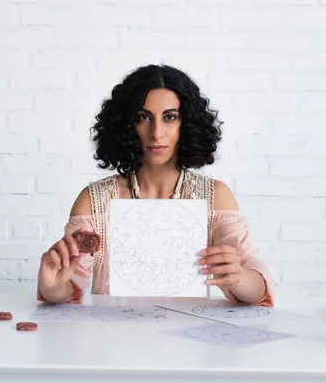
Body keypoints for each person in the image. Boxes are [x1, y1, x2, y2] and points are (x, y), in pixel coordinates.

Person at [37, 64, 274, 307]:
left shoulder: (215, 196)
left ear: (187, 124)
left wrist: (238, 277)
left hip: (189, 338)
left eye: (169, 117)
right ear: (127, 124)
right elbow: (68, 285)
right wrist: (52, 285)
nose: (156, 133)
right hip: (111, 336)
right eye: (143, 117)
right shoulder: (94, 200)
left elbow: (256, 290)